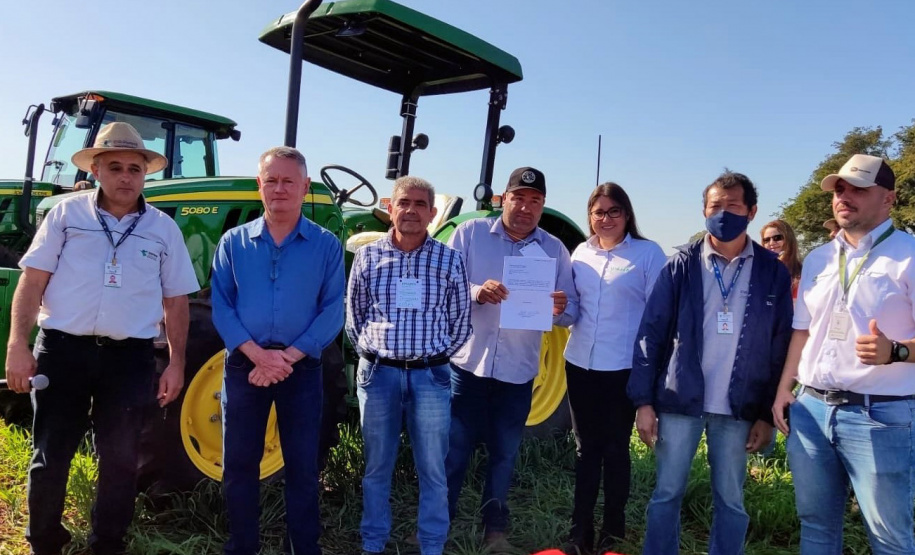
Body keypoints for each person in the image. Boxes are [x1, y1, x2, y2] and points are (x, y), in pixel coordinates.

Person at [5, 122, 199, 555]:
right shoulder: (65, 216)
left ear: (145, 173)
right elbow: (32, 282)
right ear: (96, 169)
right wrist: (17, 345)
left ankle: (107, 544)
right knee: (51, 454)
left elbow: (177, 301)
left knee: (121, 459)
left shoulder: (163, 229)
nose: (126, 176)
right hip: (62, 350)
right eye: (116, 167)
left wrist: (177, 361)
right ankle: (45, 542)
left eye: (135, 168)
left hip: (128, 358)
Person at [627, 170, 793, 555]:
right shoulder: (682, 264)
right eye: (715, 205)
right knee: (666, 493)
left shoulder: (771, 271)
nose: (723, 213)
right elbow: (651, 333)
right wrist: (643, 402)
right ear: (703, 210)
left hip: (739, 406)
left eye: (733, 205)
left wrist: (766, 413)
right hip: (679, 399)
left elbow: (780, 344)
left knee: (731, 500)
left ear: (752, 212)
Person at [772, 154, 915, 554]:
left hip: (880, 416)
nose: (844, 197)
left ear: (889, 198)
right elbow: (803, 332)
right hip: (812, 411)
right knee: (816, 527)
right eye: (839, 189)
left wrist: (897, 350)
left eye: (858, 189)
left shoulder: (908, 255)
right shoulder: (819, 257)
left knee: (889, 537)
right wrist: (786, 389)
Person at [211, 146, 345, 555]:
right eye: (272, 180)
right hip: (245, 367)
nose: (280, 188)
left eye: (289, 181)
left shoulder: (326, 245)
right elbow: (221, 303)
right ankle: (242, 545)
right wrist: (257, 355)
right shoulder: (234, 242)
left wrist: (285, 358)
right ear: (259, 186)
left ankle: (304, 547)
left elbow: (333, 308)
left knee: (303, 468)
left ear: (305, 187)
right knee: (238, 466)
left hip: (300, 371)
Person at [445, 167, 577, 552]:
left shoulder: (554, 248)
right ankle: (439, 523)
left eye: (535, 201)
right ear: (504, 198)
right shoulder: (469, 234)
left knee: (505, 453)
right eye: (519, 197)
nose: (526, 206)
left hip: (518, 373)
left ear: (542, 206)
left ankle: (495, 530)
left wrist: (560, 307)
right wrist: (475, 291)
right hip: (469, 366)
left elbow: (571, 313)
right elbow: (445, 287)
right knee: (453, 451)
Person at [346, 176, 472, 555]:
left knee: (433, 469)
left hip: (430, 376)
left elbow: (461, 322)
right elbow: (354, 318)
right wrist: (375, 355)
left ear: (433, 213)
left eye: (420, 204)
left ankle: (432, 545)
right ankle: (373, 543)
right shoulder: (368, 256)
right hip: (379, 375)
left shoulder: (449, 259)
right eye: (404, 203)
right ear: (390, 208)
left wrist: (432, 359)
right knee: (376, 468)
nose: (412, 211)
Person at [562, 183, 666, 554]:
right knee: (584, 450)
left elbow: (659, 318)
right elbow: (573, 310)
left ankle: (613, 533)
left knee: (615, 451)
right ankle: (580, 532)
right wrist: (557, 309)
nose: (605, 219)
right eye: (598, 212)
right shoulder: (579, 254)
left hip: (623, 367)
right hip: (580, 365)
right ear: (590, 215)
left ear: (627, 215)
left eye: (613, 212)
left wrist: (651, 377)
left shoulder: (647, 254)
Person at [760, 219, 803, 298]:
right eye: (767, 240)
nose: (771, 243)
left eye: (777, 238)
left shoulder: (804, 271)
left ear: (788, 239)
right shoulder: (758, 271)